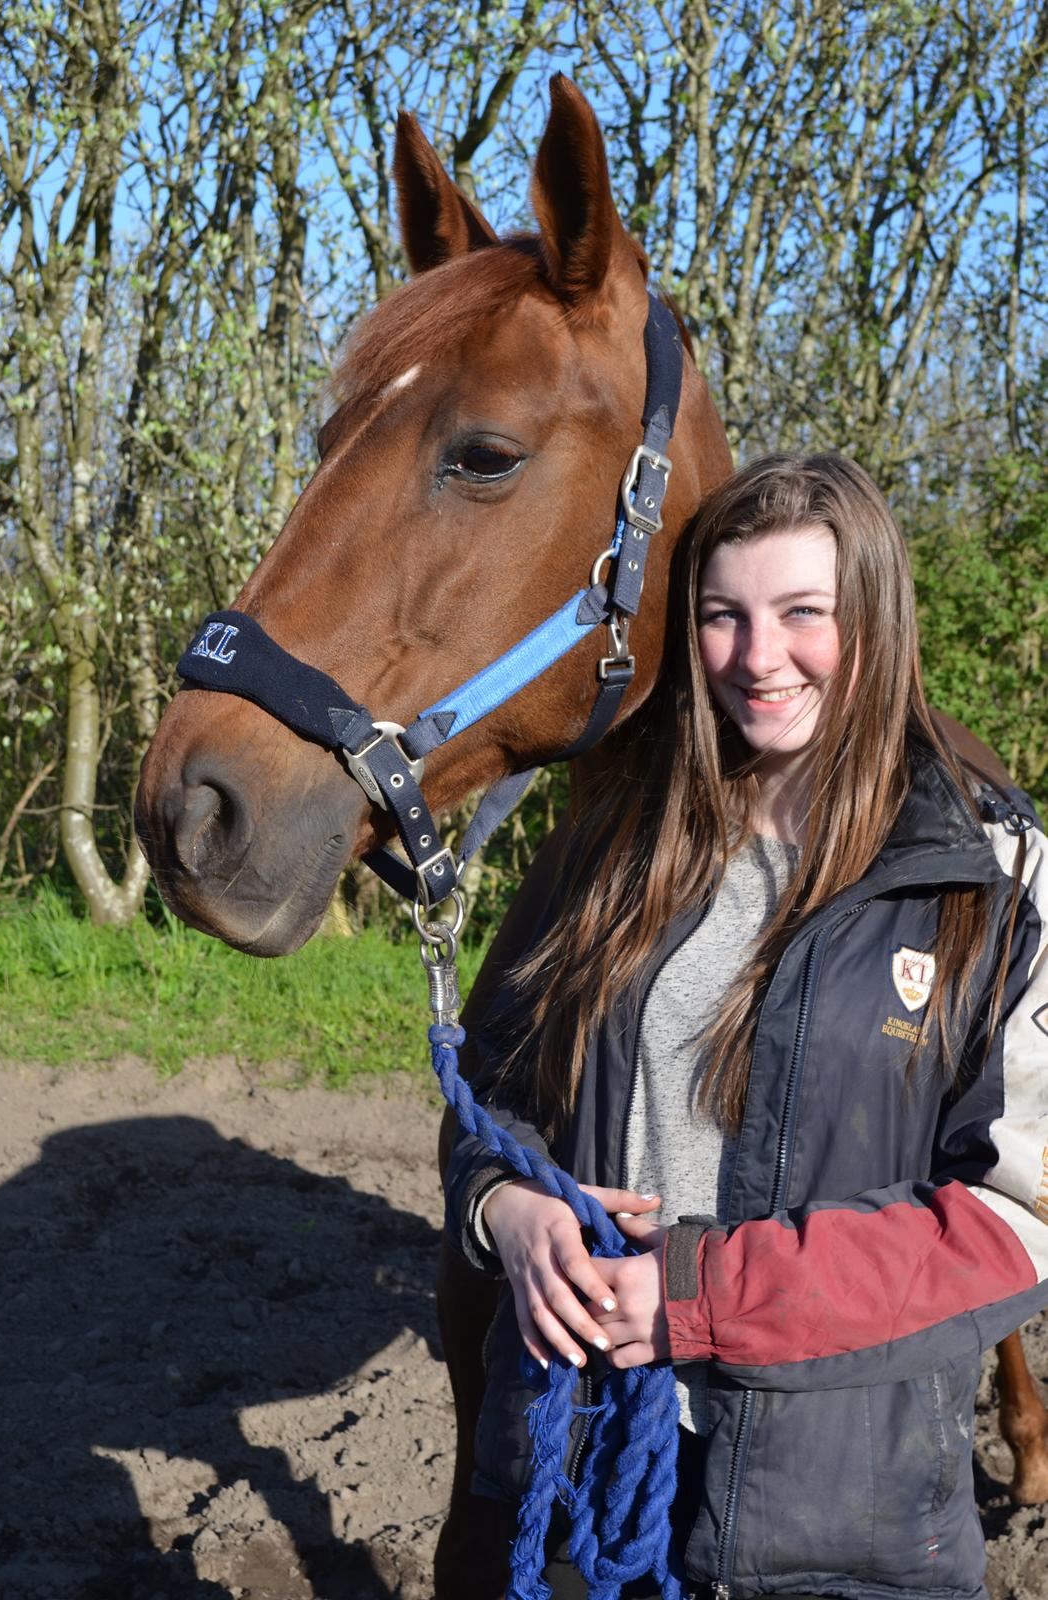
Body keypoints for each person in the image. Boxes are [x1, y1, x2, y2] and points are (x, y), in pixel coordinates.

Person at [443, 453, 1048, 1600]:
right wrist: (508, 1209)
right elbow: (496, 1092)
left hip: (841, 1531)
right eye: (722, 616)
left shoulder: (994, 881)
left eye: (800, 614)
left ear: (873, 618)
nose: (758, 657)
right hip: (596, 1474)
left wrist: (699, 1295)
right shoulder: (618, 846)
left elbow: (1014, 1225)